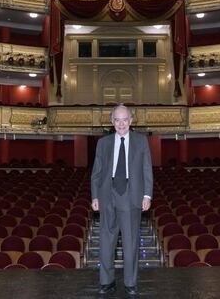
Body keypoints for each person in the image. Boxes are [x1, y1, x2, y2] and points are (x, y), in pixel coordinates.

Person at [91, 105, 153, 296]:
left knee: (130, 242)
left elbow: (146, 170)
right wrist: (94, 196)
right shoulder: (103, 143)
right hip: (107, 194)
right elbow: (96, 172)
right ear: (112, 122)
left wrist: (147, 195)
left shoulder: (141, 141)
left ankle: (130, 283)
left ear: (131, 121)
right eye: (117, 120)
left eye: (124, 119)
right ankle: (106, 281)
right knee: (106, 242)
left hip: (131, 196)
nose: (121, 123)